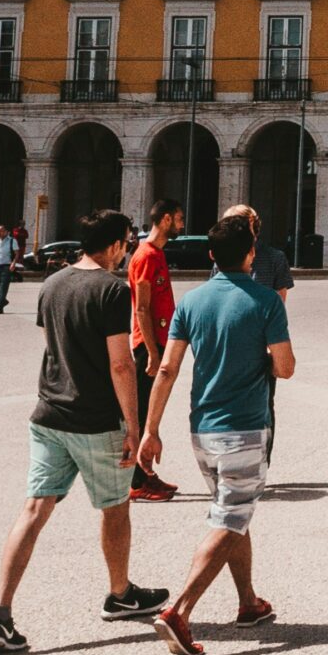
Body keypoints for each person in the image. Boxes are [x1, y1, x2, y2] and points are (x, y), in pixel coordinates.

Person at [0, 210, 169, 654]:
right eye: (126, 241)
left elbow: (55, 346)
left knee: (33, 510)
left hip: (48, 416)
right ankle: (121, 595)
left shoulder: (53, 284)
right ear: (115, 245)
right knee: (115, 508)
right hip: (96, 419)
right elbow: (121, 363)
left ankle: (0, 614)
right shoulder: (111, 290)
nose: (127, 249)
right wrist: (134, 427)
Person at [137, 213, 294, 655]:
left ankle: (248, 602)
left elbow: (166, 368)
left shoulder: (192, 301)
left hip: (201, 430)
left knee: (232, 510)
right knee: (229, 519)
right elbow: (285, 367)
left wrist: (151, 431)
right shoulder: (266, 302)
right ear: (251, 254)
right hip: (244, 428)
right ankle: (179, 612)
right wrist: (263, 355)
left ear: (211, 255)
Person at [126, 199, 183, 501]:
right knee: (141, 415)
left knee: (148, 413)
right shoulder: (146, 256)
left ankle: (144, 474)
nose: (182, 224)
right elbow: (142, 308)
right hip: (148, 346)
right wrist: (152, 352)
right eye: (178, 219)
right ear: (164, 219)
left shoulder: (156, 253)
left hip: (157, 343)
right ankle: (136, 482)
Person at [0, 224, 19, 314]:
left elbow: (17, 253)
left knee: (3, 288)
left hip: (6, 267)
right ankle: (3, 301)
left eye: (1, 231)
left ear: (6, 232)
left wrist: (13, 263)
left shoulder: (12, 241)